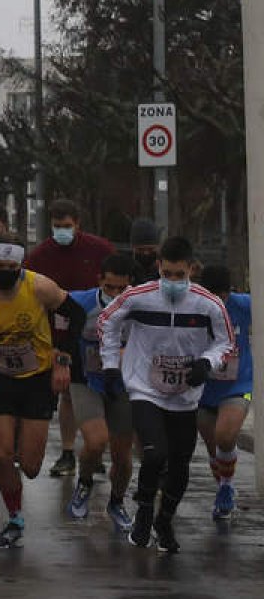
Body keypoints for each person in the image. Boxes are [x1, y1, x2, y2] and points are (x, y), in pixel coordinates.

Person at [98, 237, 233, 553]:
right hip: (145, 387)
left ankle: (165, 520)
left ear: (191, 269)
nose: (172, 281)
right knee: (154, 453)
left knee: (180, 463)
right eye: (167, 273)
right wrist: (109, 364)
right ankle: (144, 510)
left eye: (179, 275)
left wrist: (206, 362)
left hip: (185, 394)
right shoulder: (138, 296)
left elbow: (226, 343)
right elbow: (108, 320)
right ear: (158, 267)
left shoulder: (208, 303)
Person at [0, 235, 85, 549]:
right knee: (1, 454)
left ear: (20, 265)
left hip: (37, 378)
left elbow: (76, 315)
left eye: (10, 267)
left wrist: (63, 360)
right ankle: (14, 518)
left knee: (30, 466)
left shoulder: (40, 287)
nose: (4, 272)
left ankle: (18, 476)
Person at [25, 199, 115, 480]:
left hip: (97, 327)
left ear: (77, 224)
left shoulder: (99, 249)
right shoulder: (41, 254)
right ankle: (67, 451)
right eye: (56, 227)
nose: (62, 231)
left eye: (67, 226)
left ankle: (95, 448)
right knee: (68, 392)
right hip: (58, 329)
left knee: (101, 391)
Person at [65, 254, 136, 531]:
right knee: (95, 441)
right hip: (86, 379)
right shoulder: (80, 302)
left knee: (122, 454)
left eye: (121, 289)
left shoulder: (140, 305)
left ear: (131, 285)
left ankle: (116, 501)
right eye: (109, 288)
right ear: (99, 281)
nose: (115, 294)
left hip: (123, 383)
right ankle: (84, 484)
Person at [193, 264, 250, 521]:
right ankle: (223, 488)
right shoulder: (193, 306)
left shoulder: (245, 305)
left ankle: (226, 487)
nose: (218, 302)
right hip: (204, 390)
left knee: (225, 435)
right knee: (214, 446)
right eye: (212, 296)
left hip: (237, 386)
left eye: (223, 297)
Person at [129, 218, 161, 283]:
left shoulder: (166, 272)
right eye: (140, 249)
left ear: (158, 247)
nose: (146, 253)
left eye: (150, 249)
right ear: (133, 248)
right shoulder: (126, 272)